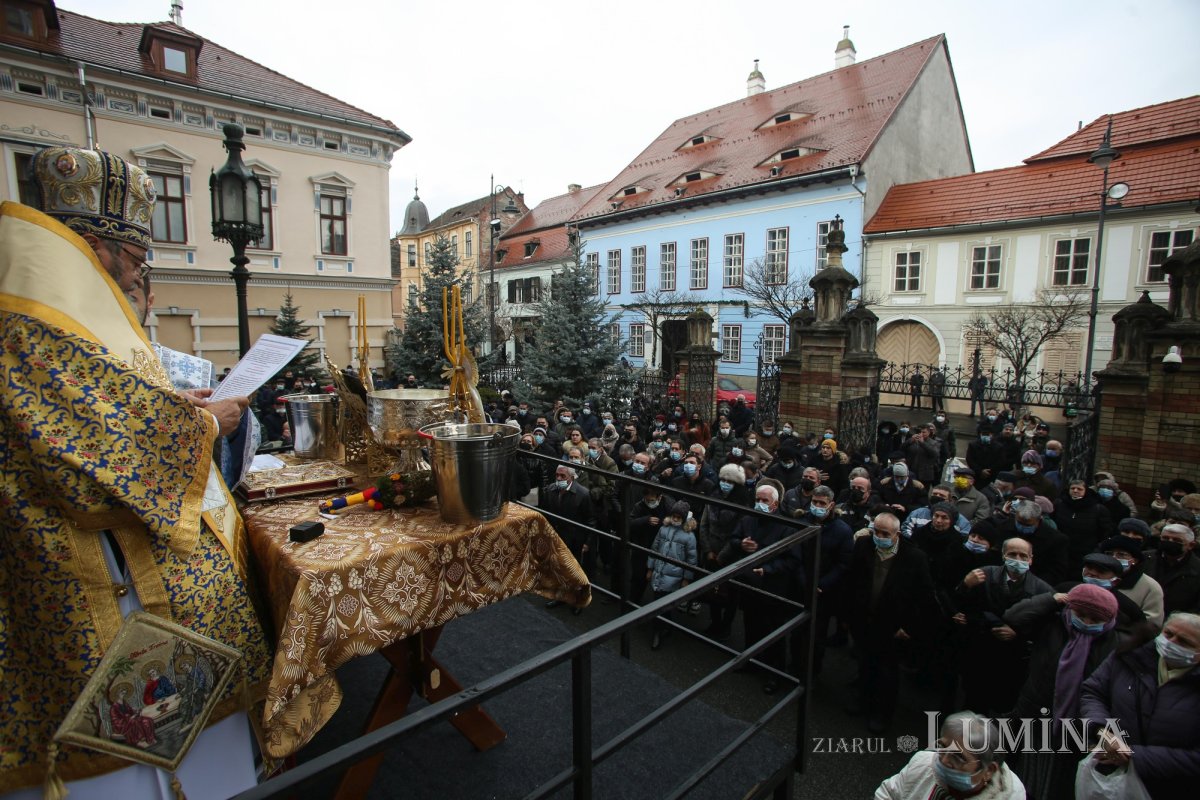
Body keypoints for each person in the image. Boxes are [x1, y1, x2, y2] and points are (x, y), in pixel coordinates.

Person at [1, 147, 273, 796]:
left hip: (126, 588)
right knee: (136, 764)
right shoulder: (33, 316)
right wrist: (206, 425)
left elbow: (92, 414)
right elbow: (87, 461)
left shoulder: (50, 305)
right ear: (96, 247)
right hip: (100, 597)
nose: (137, 276)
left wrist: (172, 408)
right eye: (135, 260)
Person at [1004, 584, 1119, 799]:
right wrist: (1051, 599)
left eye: (1094, 619)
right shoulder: (1052, 625)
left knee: (1062, 784)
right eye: (1081, 615)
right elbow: (1014, 617)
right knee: (1028, 778)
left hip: (1079, 728)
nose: (1086, 622)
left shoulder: (1115, 644)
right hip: (1036, 718)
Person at [1079, 612, 1200, 800]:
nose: (1171, 643)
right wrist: (1102, 730)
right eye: (1168, 634)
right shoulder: (1130, 655)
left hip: (1170, 788)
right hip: (1109, 778)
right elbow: (1093, 692)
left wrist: (1133, 756)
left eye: (1184, 642)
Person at [845, 512, 935, 732]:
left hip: (892, 624)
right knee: (865, 663)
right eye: (876, 531)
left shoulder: (914, 557)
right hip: (865, 618)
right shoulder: (864, 545)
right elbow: (851, 579)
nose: (879, 537)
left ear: (897, 534)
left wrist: (909, 626)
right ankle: (863, 700)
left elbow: (924, 597)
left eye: (885, 533)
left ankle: (882, 714)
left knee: (887, 672)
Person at [954, 538, 1052, 715]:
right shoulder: (984, 575)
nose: (1017, 559)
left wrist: (1018, 634)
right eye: (1012, 554)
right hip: (980, 651)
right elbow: (965, 609)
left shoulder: (1042, 590)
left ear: (1030, 559)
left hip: (1013, 659)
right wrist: (965, 586)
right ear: (1003, 556)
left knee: (1004, 707)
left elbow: (1044, 629)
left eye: (1023, 555)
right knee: (973, 704)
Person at [720, 484, 802, 695]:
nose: (760, 504)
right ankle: (751, 660)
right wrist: (741, 544)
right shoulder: (748, 519)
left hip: (772, 586)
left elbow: (792, 559)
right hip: (750, 582)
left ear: (775, 504)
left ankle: (775, 673)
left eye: (765, 500)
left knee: (773, 630)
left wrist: (768, 569)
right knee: (751, 624)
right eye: (758, 499)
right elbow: (733, 538)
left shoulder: (786, 527)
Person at [874, 711, 1025, 799]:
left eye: (958, 757)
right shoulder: (923, 763)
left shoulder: (1012, 796)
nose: (944, 760)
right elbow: (887, 793)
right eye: (943, 746)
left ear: (988, 771)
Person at [539, 464, 595, 613]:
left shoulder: (583, 494)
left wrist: (587, 542)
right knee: (558, 568)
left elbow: (591, 520)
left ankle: (578, 602)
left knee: (576, 572)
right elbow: (545, 514)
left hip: (576, 539)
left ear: (572, 477)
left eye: (562, 476)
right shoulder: (550, 490)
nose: (559, 478)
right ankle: (561, 597)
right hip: (557, 537)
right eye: (557, 475)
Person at [647, 501, 699, 650]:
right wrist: (650, 568)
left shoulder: (689, 536)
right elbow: (654, 548)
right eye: (674, 516)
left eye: (678, 517)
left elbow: (692, 560)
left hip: (673, 576)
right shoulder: (663, 529)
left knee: (663, 604)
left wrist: (686, 579)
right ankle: (662, 629)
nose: (675, 519)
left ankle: (659, 631)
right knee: (660, 603)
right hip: (660, 572)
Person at [1100, 533, 1165, 628]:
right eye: (1109, 554)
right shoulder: (1094, 577)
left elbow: (1151, 624)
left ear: (1134, 560)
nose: (1114, 558)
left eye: (1121, 555)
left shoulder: (1150, 587)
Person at [1142, 523, 1200, 617]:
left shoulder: (1197, 568)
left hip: (1178, 619)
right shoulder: (1144, 558)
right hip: (1141, 614)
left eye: (1177, 540)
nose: (1170, 542)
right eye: (1165, 538)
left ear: (1191, 545)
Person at [1053, 479, 1113, 567]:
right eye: (1072, 488)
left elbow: (1105, 532)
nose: (1075, 491)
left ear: (1086, 491)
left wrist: (1095, 550)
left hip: (1085, 554)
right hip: (1061, 551)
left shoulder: (1098, 509)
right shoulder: (1059, 504)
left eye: (1079, 489)